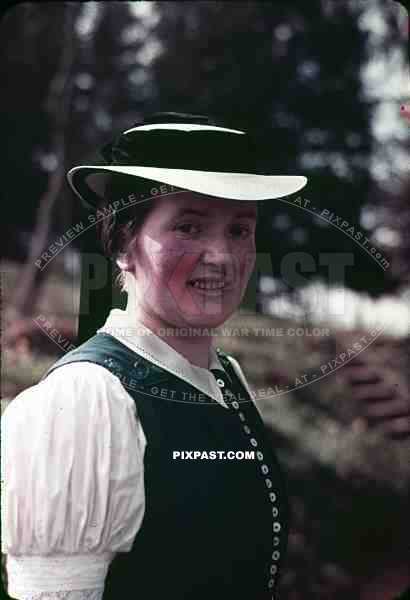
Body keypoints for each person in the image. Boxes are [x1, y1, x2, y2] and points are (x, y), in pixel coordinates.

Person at [1, 112, 308, 600]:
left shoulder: (228, 377)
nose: (222, 256)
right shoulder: (87, 401)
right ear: (124, 244)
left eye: (239, 230)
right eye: (188, 227)